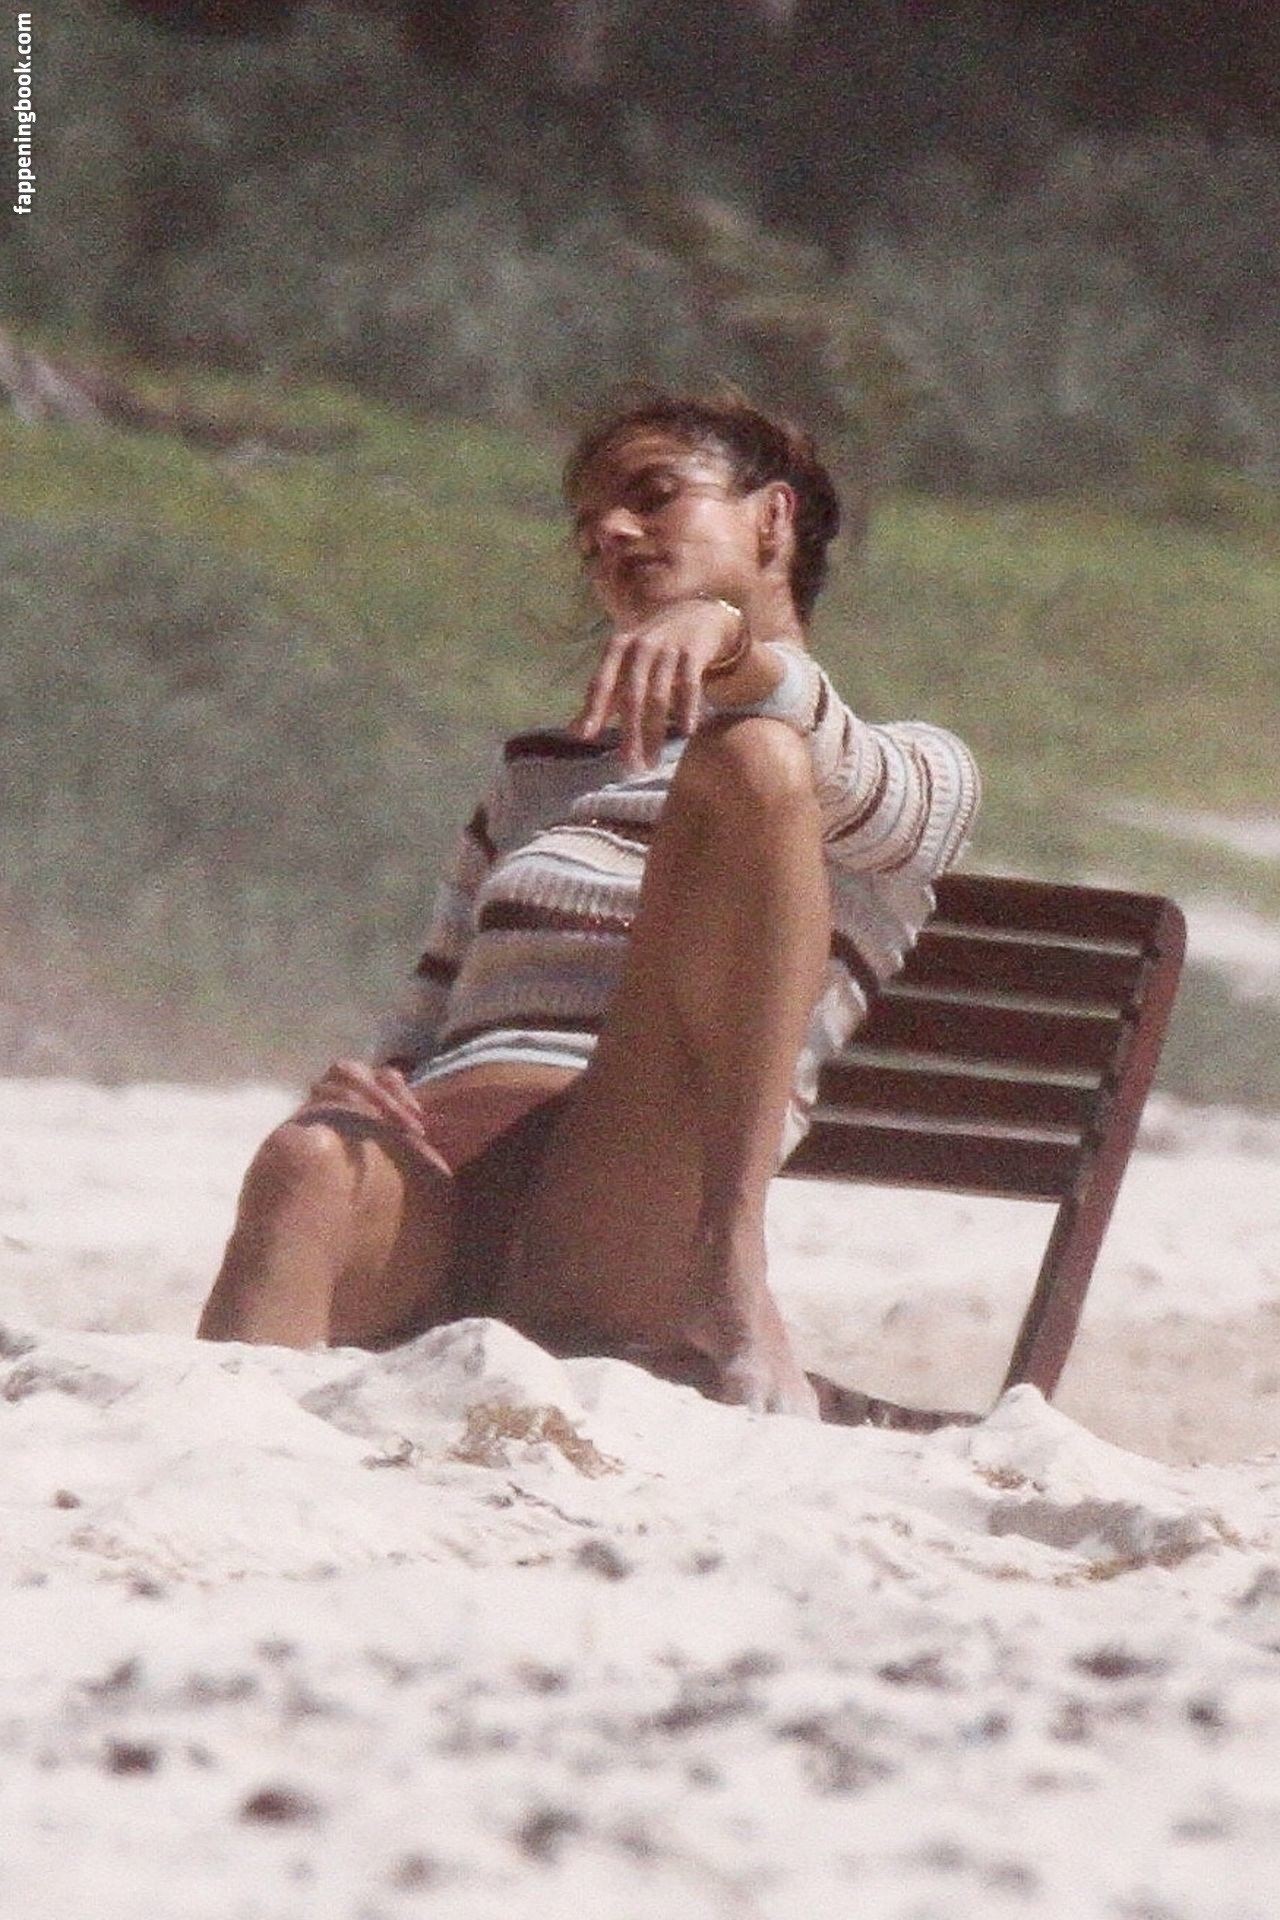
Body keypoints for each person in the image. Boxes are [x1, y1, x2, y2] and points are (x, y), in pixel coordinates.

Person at [198, 391, 980, 1420]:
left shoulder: (902, 771)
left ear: (772, 519)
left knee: (750, 756)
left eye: (653, 496)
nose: (611, 531)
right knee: (305, 1161)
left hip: (628, 1192)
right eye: (588, 530)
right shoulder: (537, 774)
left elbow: (830, 767)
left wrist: (731, 649)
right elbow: (437, 1001)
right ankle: (215, 1466)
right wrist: (373, 1080)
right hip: (442, 1168)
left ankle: (730, 1266)